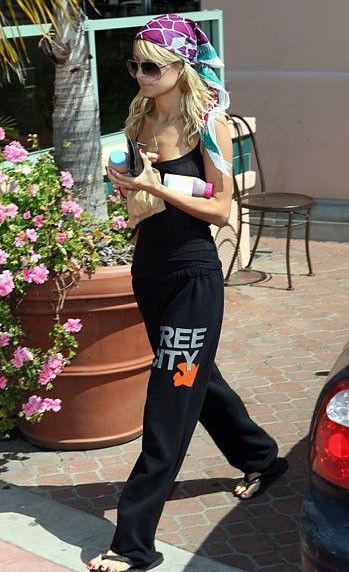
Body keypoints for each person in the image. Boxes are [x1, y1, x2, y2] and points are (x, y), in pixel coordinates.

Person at [87, 13, 288, 572]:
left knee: (170, 397)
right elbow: (138, 212)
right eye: (134, 64)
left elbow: (222, 210)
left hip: (195, 273)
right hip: (149, 269)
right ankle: (262, 459)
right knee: (199, 378)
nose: (140, 75)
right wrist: (130, 187)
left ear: (182, 67)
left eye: (152, 65)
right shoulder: (136, 123)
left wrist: (160, 184)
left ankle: (133, 543)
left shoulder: (208, 125)